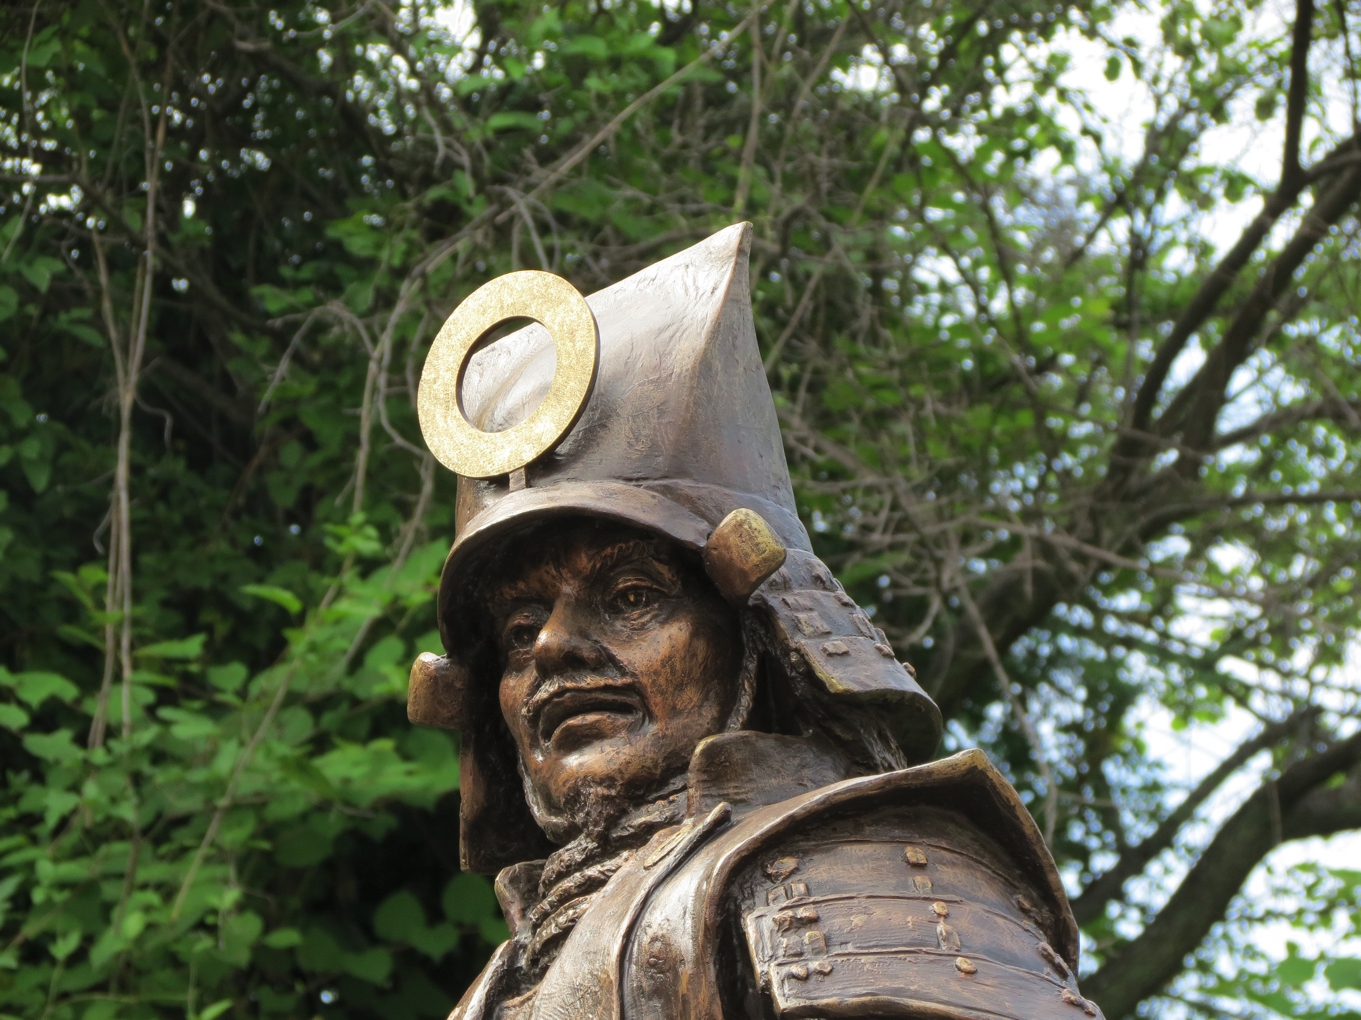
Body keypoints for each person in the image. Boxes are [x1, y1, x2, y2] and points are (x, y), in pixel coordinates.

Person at [408, 224, 1104, 1020]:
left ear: (754, 637)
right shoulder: (498, 984)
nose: (554, 648)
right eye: (519, 631)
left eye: (632, 597)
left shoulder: (851, 876)